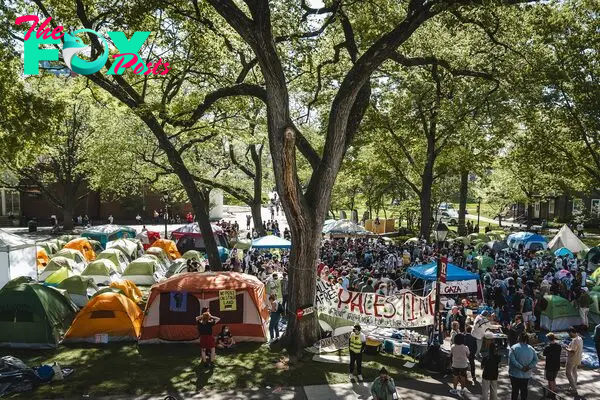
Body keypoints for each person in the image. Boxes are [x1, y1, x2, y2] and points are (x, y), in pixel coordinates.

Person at [508, 332, 538, 400]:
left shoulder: (513, 347)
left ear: (519, 338)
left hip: (514, 374)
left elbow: (512, 360)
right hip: (526, 374)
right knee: (524, 391)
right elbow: (536, 360)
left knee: (515, 391)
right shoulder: (531, 348)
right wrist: (529, 366)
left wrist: (521, 367)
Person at [543, 333, 562, 399]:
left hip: (550, 365)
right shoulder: (559, 346)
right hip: (557, 365)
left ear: (548, 339)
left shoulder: (548, 347)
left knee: (550, 380)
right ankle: (552, 391)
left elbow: (544, 354)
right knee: (553, 378)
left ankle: (552, 393)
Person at [565, 327, 583, 396]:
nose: (569, 335)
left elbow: (572, 351)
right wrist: (568, 347)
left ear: (572, 332)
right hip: (578, 358)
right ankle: (573, 385)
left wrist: (565, 348)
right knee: (574, 372)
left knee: (568, 373)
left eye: (569, 333)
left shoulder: (575, 340)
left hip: (572, 359)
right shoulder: (580, 338)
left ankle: (574, 389)